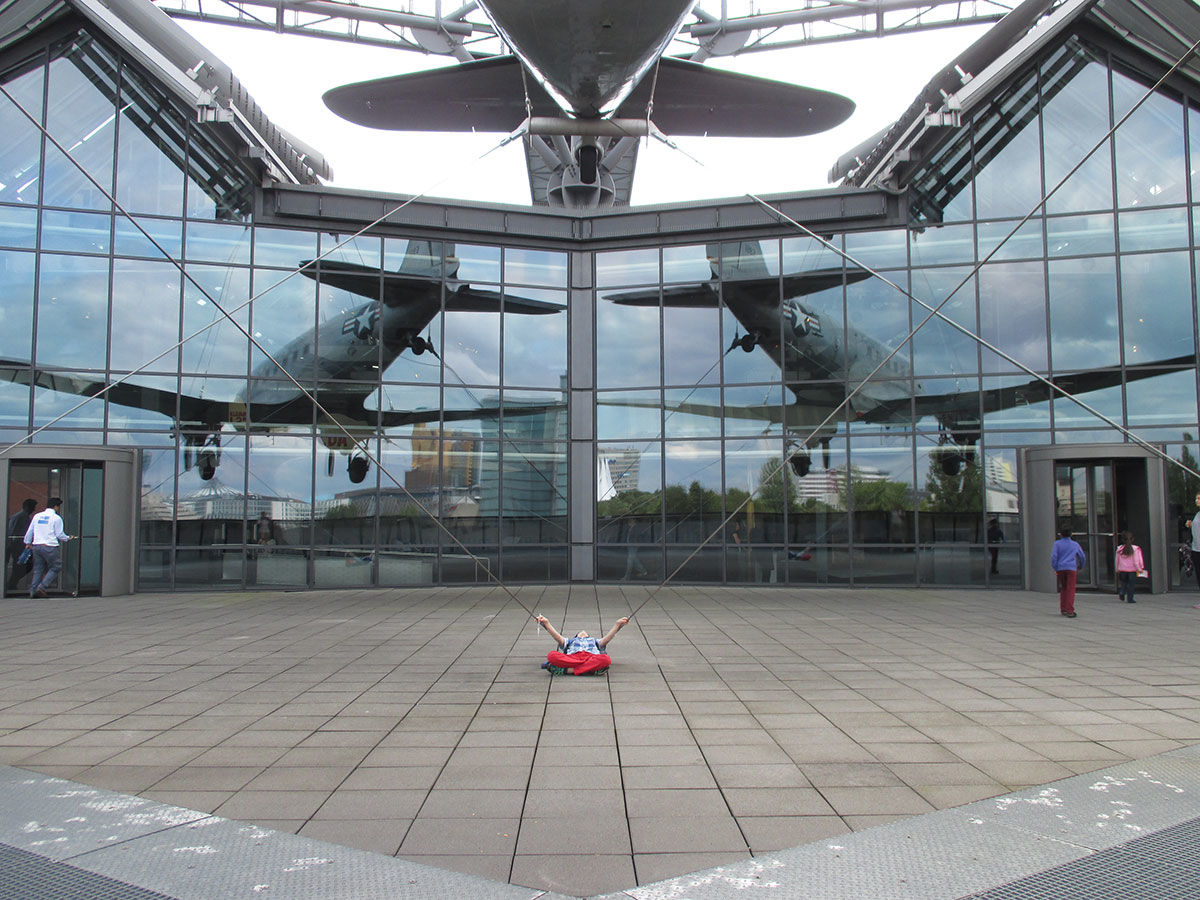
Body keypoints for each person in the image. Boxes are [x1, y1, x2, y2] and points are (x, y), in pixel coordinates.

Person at [535, 614, 629, 676]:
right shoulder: (570, 642)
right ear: (576, 637)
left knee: (606, 659)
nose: (583, 632)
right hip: (573, 658)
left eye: (586, 634)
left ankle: (567, 670)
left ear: (589, 637)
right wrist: (546, 623)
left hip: (590, 657)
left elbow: (608, 637)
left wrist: (618, 625)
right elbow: (556, 636)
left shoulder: (595, 641)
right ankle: (590, 669)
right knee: (552, 655)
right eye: (580, 633)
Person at [23, 498, 72, 598]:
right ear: (56, 506)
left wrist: (28, 542)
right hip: (50, 546)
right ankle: (42, 587)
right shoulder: (56, 518)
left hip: (37, 546)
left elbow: (30, 531)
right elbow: (59, 535)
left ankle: (33, 590)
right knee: (56, 567)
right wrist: (68, 538)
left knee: (38, 569)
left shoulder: (37, 516)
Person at [1051, 527, 1086, 618]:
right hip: (1071, 568)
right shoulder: (1075, 544)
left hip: (1061, 568)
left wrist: (1055, 567)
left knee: (1064, 588)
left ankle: (1063, 608)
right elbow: (1082, 556)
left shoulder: (1057, 544)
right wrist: (1080, 566)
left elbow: (1054, 557)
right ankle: (1070, 610)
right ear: (1071, 534)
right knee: (1071, 588)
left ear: (1060, 534)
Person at [6, 498, 36, 592]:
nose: (34, 509)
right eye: (33, 507)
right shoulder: (19, 517)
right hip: (17, 547)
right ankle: (11, 584)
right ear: (27, 507)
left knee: (25, 566)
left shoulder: (26, 517)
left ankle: (12, 583)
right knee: (21, 566)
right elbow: (11, 531)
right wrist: (10, 545)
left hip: (22, 546)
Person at [1114, 531, 1145, 604]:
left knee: (1124, 582)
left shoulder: (1119, 549)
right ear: (1132, 539)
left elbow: (1117, 560)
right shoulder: (1136, 549)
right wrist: (1140, 568)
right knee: (1131, 584)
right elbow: (1137, 560)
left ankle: (1122, 591)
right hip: (1132, 570)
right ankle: (1130, 598)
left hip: (1122, 569)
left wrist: (1117, 568)